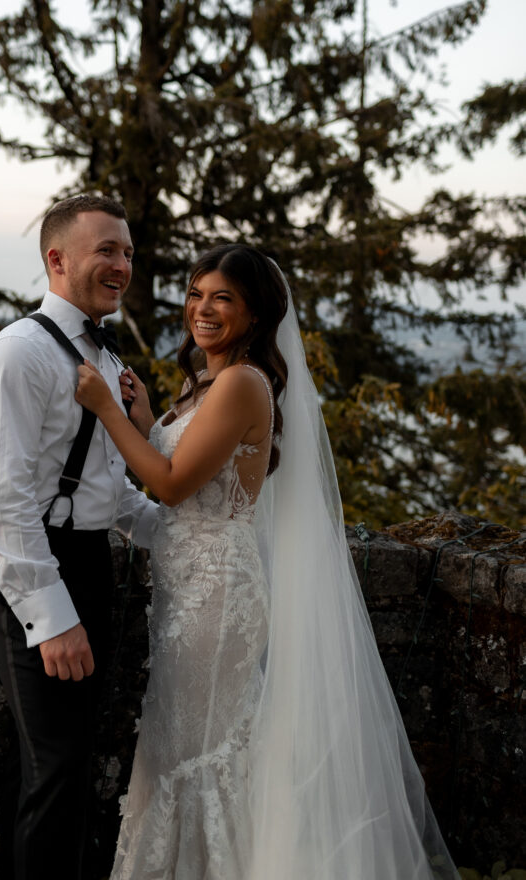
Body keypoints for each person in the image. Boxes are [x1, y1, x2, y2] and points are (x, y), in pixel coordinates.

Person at [75, 243, 460, 880]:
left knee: (202, 753)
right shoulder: (208, 381)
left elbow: (169, 487)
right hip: (191, 588)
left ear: (255, 314)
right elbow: (189, 483)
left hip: (215, 600)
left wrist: (108, 412)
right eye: (196, 294)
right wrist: (146, 420)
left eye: (222, 297)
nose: (202, 309)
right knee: (183, 749)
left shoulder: (242, 383)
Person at [0, 195, 158, 880]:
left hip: (86, 560)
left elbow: (110, 491)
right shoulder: (17, 355)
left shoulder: (103, 359)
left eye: (128, 252)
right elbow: (5, 503)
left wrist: (185, 538)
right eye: (106, 249)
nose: (121, 265)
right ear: (58, 258)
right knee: (55, 765)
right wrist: (49, 619)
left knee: (75, 759)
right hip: (34, 568)